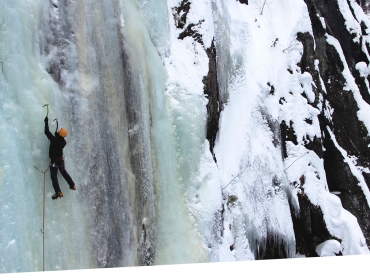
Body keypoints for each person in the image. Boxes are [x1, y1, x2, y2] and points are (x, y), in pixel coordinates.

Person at [44, 116, 76, 200]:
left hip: (55, 161)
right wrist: (56, 134)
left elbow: (47, 132)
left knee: (54, 176)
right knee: (63, 172)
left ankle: (58, 191)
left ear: (59, 134)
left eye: (59, 132)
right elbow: (57, 138)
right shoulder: (63, 142)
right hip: (60, 161)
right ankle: (72, 185)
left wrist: (46, 122)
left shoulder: (55, 140)